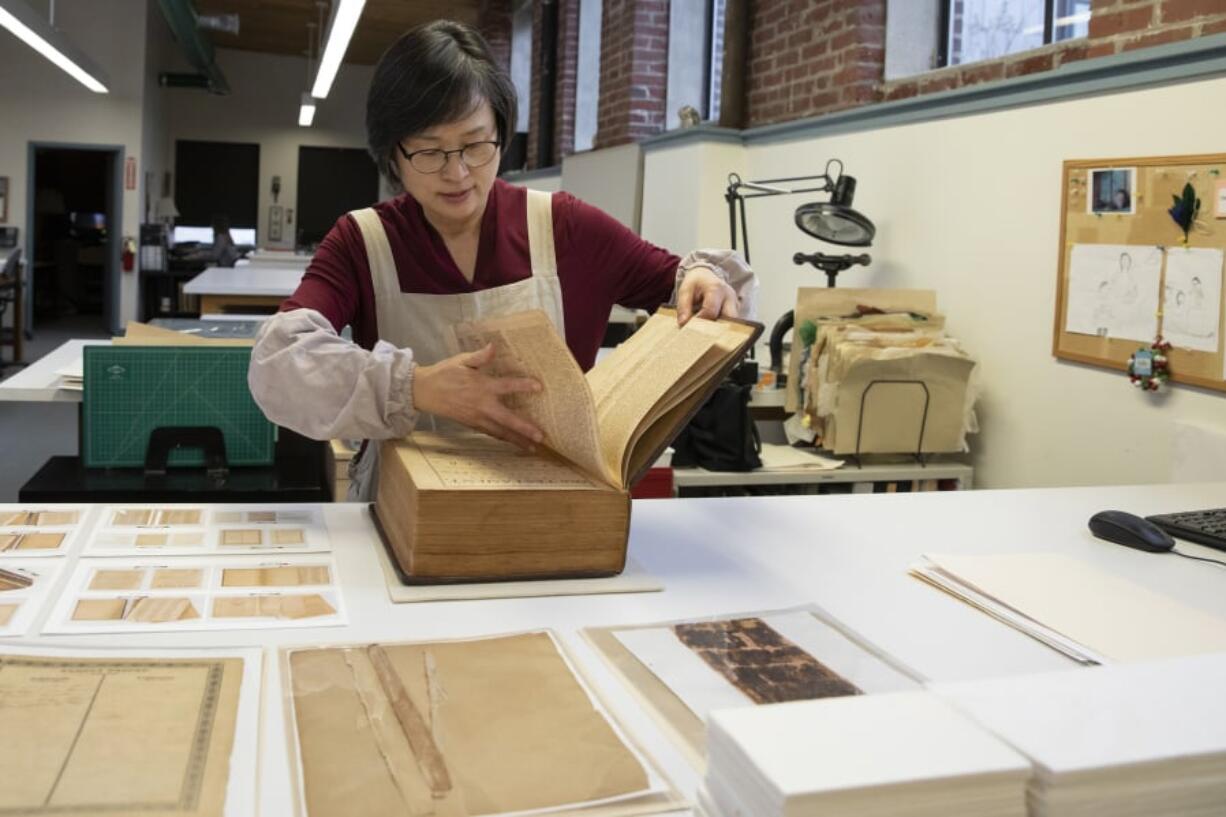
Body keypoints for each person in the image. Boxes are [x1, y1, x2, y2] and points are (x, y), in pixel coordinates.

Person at [248, 20, 757, 500]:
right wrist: (417, 386)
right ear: (392, 155)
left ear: (501, 131)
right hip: (405, 510)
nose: (458, 173)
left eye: (476, 144)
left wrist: (707, 278)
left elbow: (687, 289)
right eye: (430, 151)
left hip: (549, 507)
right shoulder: (363, 242)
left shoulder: (563, 228)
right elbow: (279, 364)